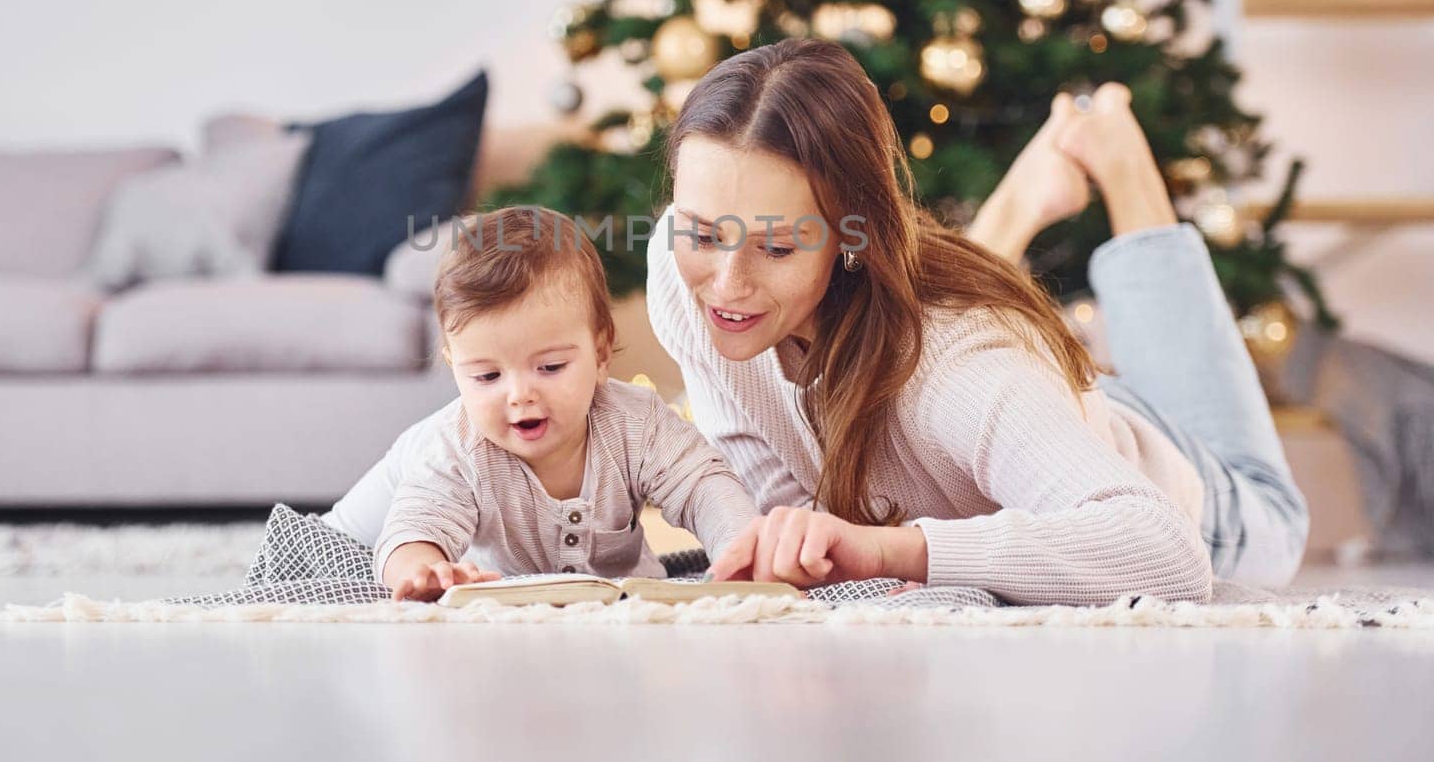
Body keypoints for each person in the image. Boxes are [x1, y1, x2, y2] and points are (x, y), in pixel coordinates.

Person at [649, 39, 1308, 604]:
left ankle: (1122, 158)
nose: (727, 285)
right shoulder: (683, 274)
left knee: (1276, 510)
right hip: (1019, 424)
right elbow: (781, 502)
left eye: (777, 246)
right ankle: (1019, 201)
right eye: (702, 232)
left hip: (1186, 494)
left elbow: (1165, 549)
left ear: (852, 233)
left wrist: (888, 551)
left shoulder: (961, 368)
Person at [369, 206, 758, 601]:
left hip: (623, 607)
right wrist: (424, 571)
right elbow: (412, 530)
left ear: (601, 353)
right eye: (487, 377)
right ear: (455, 368)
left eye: (550, 367)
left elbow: (703, 486)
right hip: (493, 604)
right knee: (335, 536)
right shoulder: (455, 449)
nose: (520, 394)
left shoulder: (636, 423)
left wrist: (738, 550)